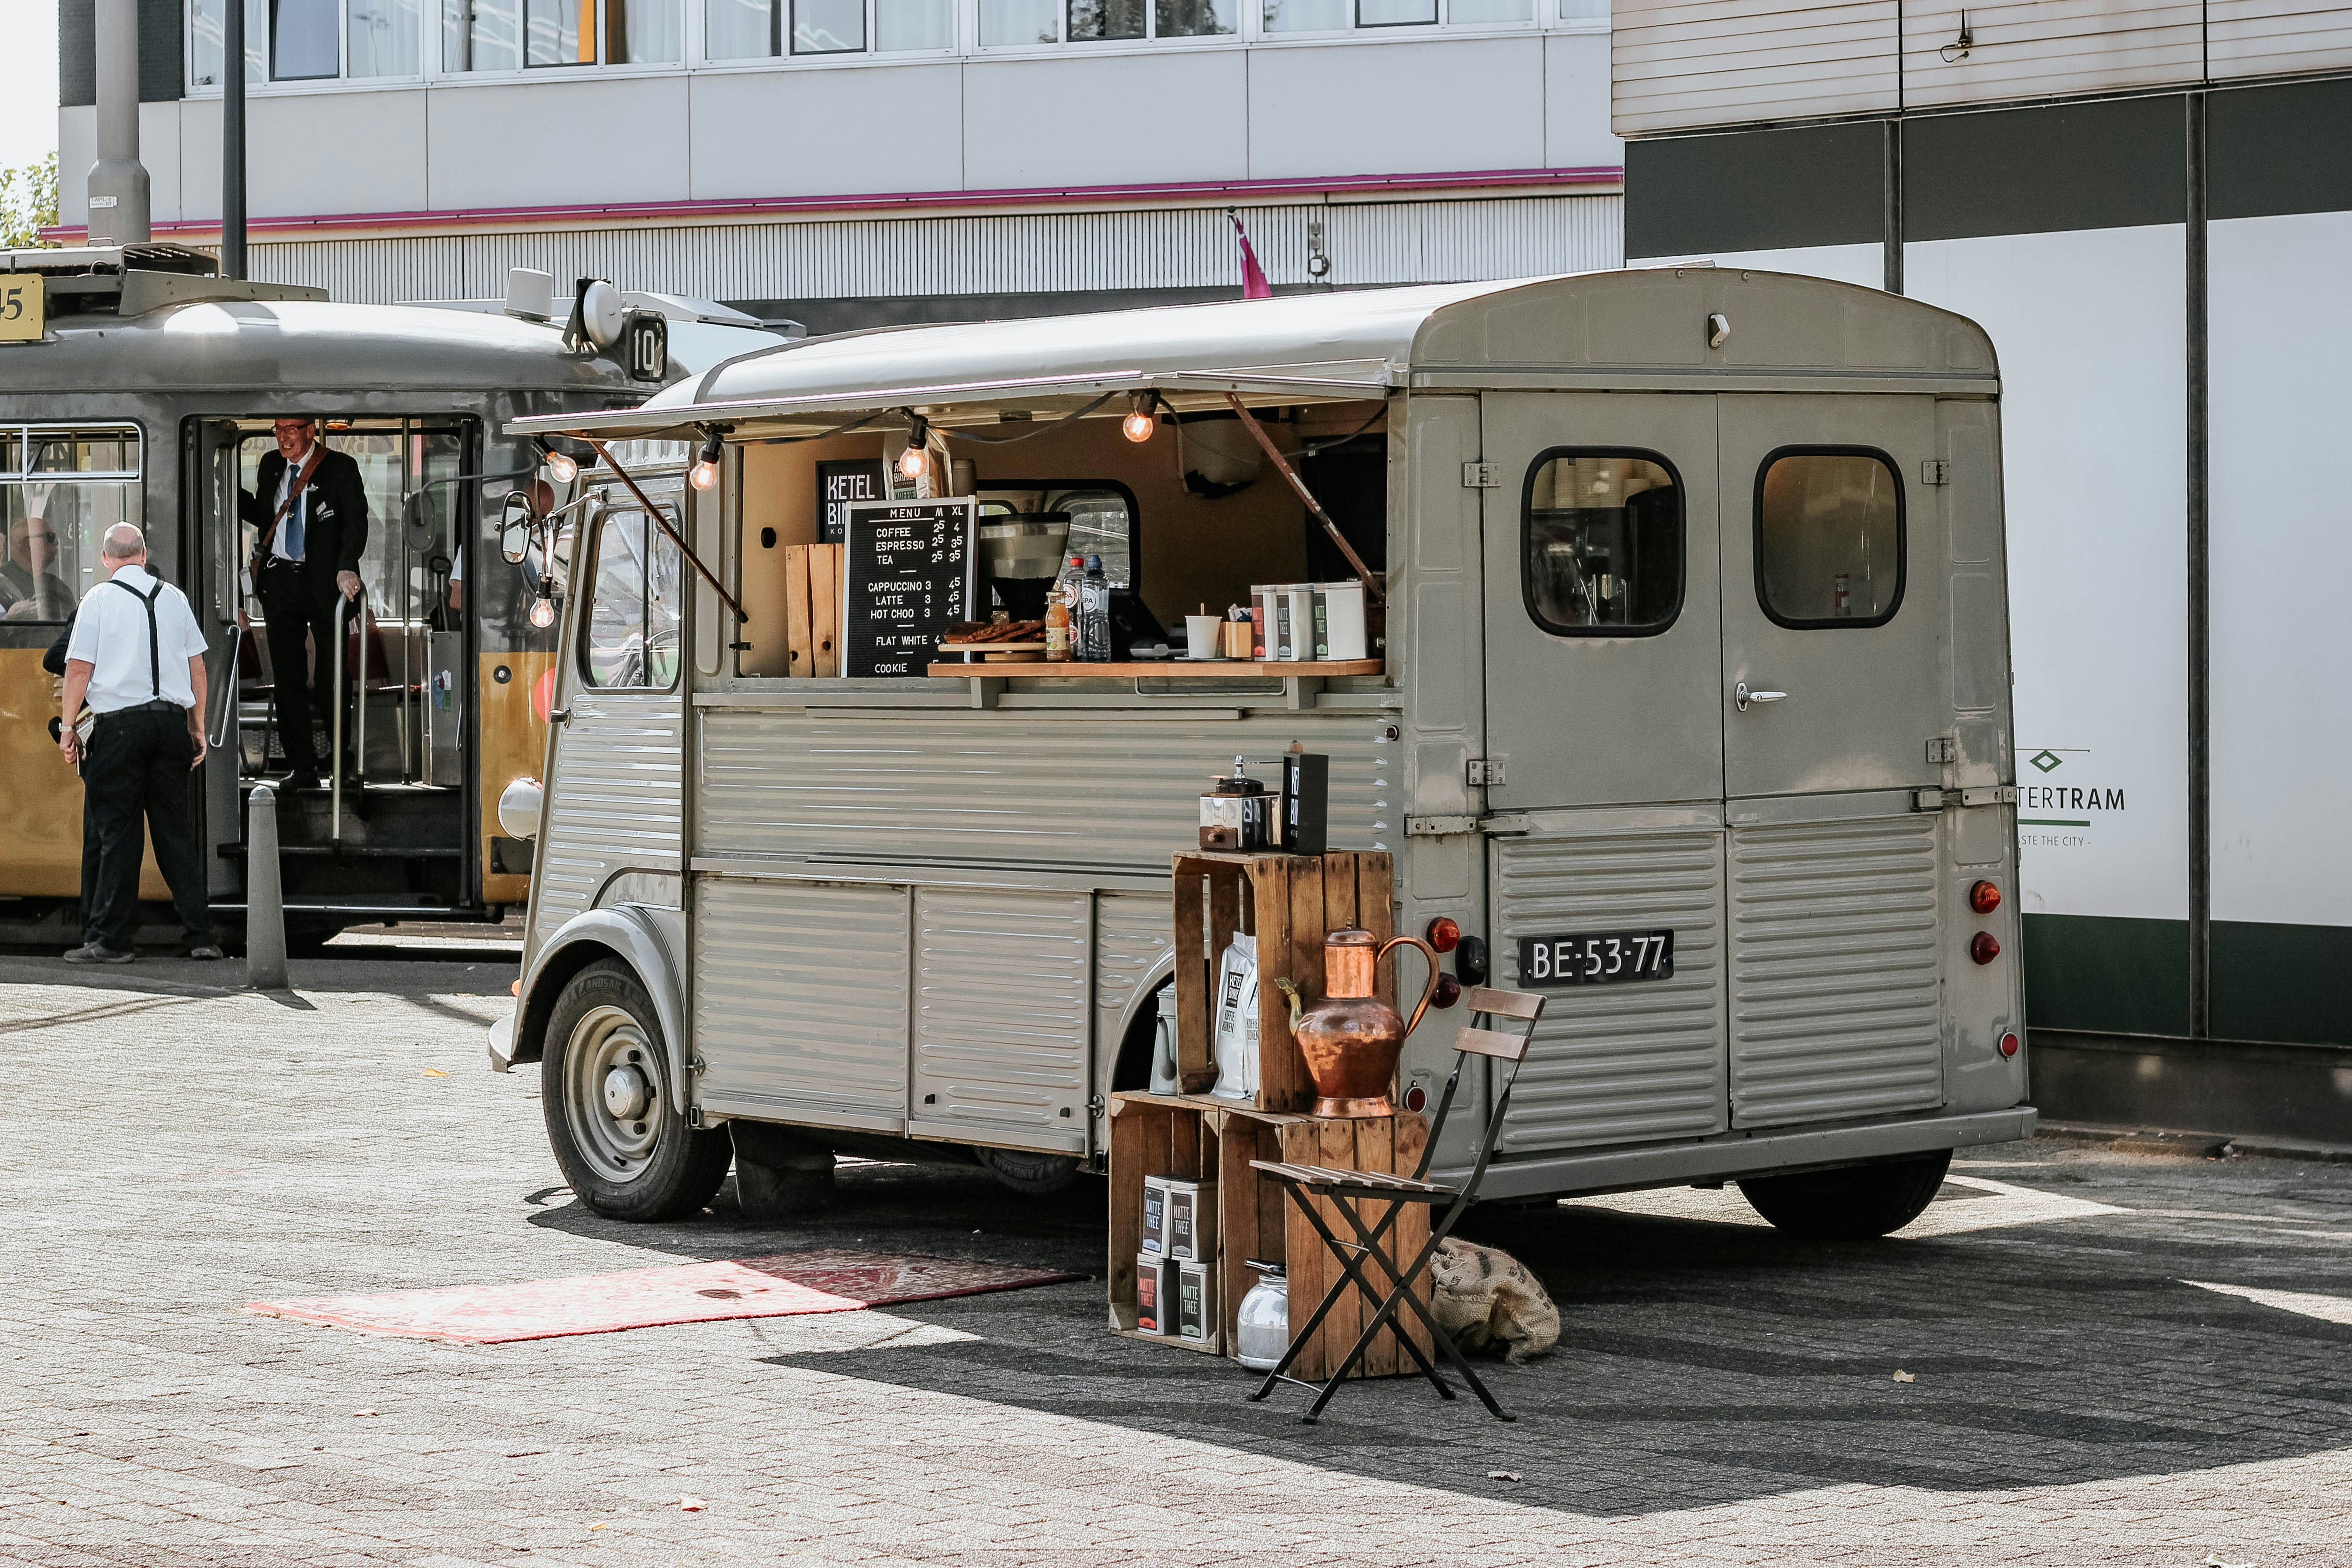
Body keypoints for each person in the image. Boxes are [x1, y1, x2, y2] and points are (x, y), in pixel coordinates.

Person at [55, 524, 222, 964]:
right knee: (174, 832)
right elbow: (198, 669)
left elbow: (77, 670)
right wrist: (197, 726)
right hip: (170, 727)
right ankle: (202, 935)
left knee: (119, 834)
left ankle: (111, 940)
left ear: (108, 559)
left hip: (120, 729)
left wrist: (68, 728)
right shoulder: (175, 599)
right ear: (144, 555)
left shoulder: (98, 600)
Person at [238, 417, 367, 791]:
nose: (283, 437)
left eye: (291, 428)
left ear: (311, 430)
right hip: (281, 582)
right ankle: (303, 768)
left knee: (331, 676)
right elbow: (264, 514)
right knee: (288, 677)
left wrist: (346, 568)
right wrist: (222, 487)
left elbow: (356, 523)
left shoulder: (341, 468)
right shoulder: (270, 465)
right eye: (277, 429)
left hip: (326, 583)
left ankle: (341, 765)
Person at [2, 509, 76, 621]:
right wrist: (9, 620)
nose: (56, 542)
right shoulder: (3, 583)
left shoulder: (57, 586)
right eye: (49, 537)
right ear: (28, 545)